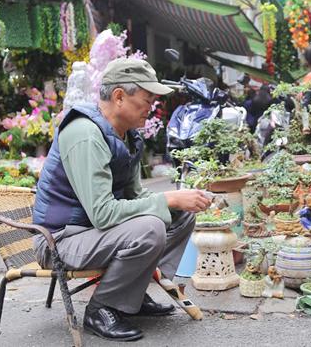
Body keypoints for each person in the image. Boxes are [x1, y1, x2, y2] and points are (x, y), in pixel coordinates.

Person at [32, 58, 212, 342]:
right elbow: (103, 214)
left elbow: (136, 196)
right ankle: (102, 308)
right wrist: (168, 198)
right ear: (118, 97)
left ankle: (134, 293)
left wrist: (178, 202)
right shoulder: (85, 134)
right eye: (147, 100)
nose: (153, 108)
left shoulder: (127, 136)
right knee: (151, 227)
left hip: (92, 233)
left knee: (181, 215)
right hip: (60, 240)